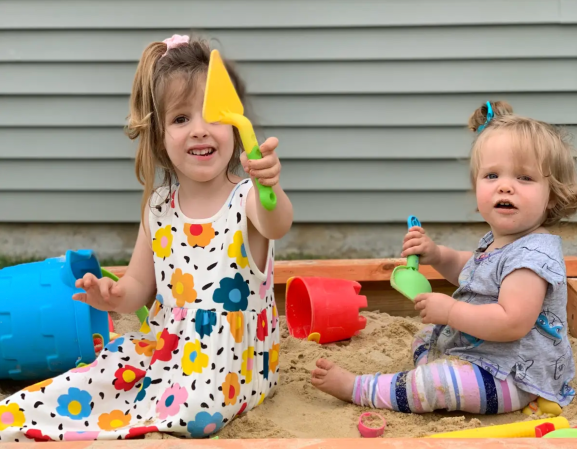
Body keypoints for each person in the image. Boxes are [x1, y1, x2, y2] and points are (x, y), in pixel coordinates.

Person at [0, 34, 293, 441]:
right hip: (165, 347)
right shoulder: (159, 206)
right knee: (98, 374)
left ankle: (128, 417)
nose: (200, 131)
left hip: (229, 365)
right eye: (180, 119)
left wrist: (270, 185)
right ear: (159, 137)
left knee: (195, 407)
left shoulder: (246, 199)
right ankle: (15, 418)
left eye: (215, 116)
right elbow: (138, 286)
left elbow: (277, 223)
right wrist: (113, 296)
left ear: (236, 124)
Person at [311, 101, 577, 415]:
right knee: (427, 336)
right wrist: (437, 255)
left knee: (434, 384)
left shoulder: (532, 257)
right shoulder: (502, 240)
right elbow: (473, 270)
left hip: (513, 376)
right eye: (492, 176)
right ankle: (440, 369)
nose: (505, 186)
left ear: (554, 196)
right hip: (483, 351)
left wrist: (451, 310)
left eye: (524, 178)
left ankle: (361, 389)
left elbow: (511, 323)